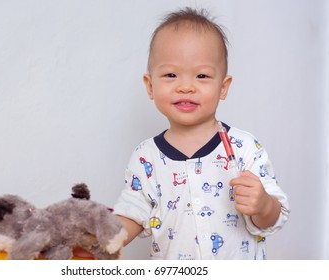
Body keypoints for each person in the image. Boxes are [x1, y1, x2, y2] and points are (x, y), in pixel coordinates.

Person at [113, 7, 290, 260]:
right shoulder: (145, 157)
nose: (186, 86)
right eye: (171, 75)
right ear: (150, 85)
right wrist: (99, 243)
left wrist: (263, 205)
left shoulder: (244, 148)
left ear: (223, 87)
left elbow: (273, 217)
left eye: (202, 75)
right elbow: (132, 212)